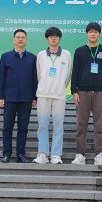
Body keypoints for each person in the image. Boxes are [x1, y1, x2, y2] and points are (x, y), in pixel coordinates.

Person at [70, 22, 102, 166]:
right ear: (86, 33)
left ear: (99, 34)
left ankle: (98, 155)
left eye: (95, 31)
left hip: (100, 92)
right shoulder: (79, 51)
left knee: (99, 126)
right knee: (81, 125)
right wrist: (74, 91)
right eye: (90, 31)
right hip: (82, 92)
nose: (93, 34)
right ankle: (80, 155)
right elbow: (75, 72)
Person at [0, 29, 37, 163]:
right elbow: (0, 78)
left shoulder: (32, 58)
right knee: (7, 126)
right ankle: (6, 154)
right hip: (9, 98)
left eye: (23, 37)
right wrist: (0, 97)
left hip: (26, 98)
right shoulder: (5, 56)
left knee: (23, 128)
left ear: (26, 40)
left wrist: (34, 97)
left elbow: (35, 79)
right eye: (18, 37)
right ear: (14, 39)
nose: (20, 39)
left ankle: (20, 154)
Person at [33, 27, 72, 165]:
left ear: (59, 38)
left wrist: (60, 88)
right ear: (47, 38)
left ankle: (56, 154)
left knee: (58, 126)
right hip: (43, 95)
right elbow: (38, 75)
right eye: (51, 36)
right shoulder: (41, 55)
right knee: (42, 125)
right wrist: (44, 87)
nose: (53, 38)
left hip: (59, 96)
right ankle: (43, 154)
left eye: (56, 36)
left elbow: (68, 75)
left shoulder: (66, 54)